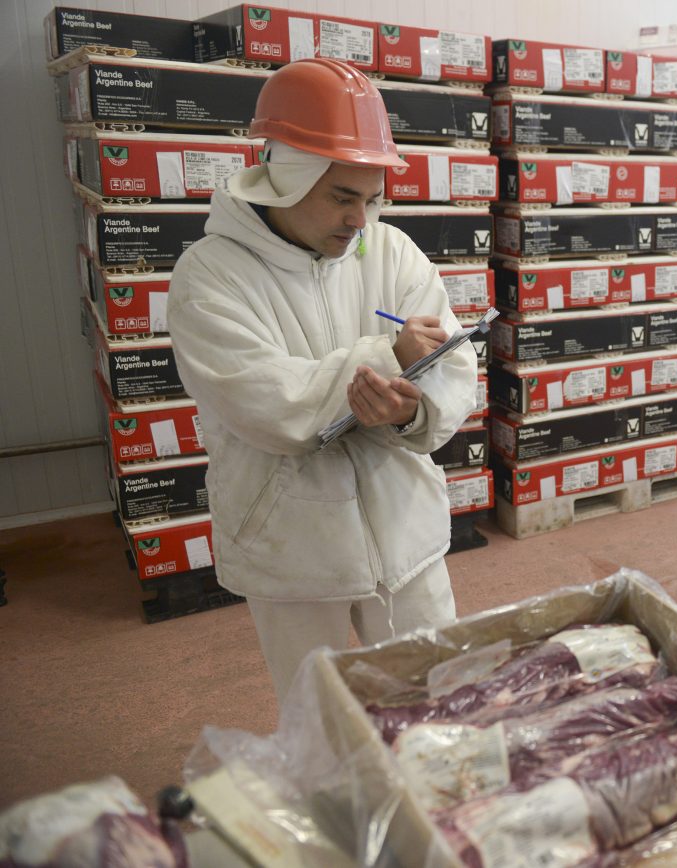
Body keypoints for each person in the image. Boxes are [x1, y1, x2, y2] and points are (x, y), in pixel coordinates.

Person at [168, 58, 479, 704]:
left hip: (404, 529)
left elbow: (452, 365)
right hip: (292, 544)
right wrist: (382, 361)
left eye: (372, 198)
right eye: (342, 197)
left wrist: (408, 412)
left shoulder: (391, 253)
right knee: (322, 714)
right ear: (286, 176)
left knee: (440, 696)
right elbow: (263, 400)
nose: (360, 220)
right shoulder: (210, 277)